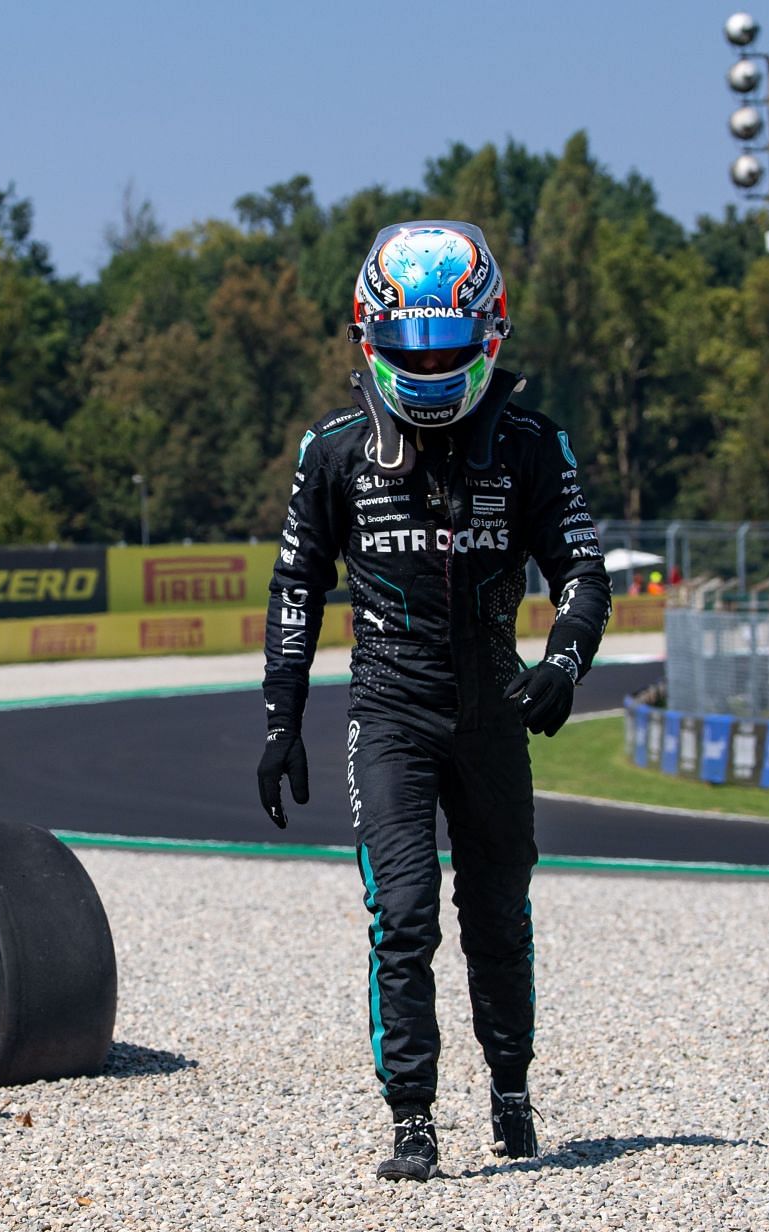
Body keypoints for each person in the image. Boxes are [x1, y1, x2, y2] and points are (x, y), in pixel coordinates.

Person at [256, 221, 612, 1181]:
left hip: (495, 712)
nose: (429, 369)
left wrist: (564, 662)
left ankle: (511, 1090)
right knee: (403, 913)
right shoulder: (332, 452)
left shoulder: (535, 444)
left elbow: (582, 567)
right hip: (390, 711)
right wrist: (281, 716)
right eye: (411, 352)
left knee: (499, 911)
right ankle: (411, 1116)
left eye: (448, 351)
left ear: (490, 334)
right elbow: (297, 581)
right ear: (369, 338)